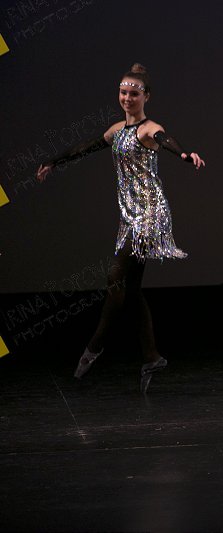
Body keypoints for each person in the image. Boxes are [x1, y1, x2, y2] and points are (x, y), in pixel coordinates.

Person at [36, 63, 205, 393]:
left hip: (149, 214)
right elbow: (86, 146)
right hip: (128, 215)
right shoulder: (116, 131)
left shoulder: (149, 129)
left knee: (115, 278)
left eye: (134, 94)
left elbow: (166, 140)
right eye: (123, 93)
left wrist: (185, 154)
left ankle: (94, 346)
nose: (127, 98)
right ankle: (151, 356)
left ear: (146, 96)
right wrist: (54, 161)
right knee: (132, 288)